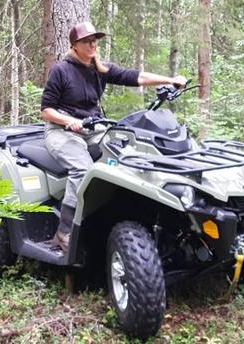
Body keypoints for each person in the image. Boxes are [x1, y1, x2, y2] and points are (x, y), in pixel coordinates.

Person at [41, 22, 187, 252]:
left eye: (94, 40)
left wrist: (169, 80)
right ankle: (64, 232)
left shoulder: (99, 68)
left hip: (93, 129)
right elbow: (46, 110)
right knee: (83, 169)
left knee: (126, 156)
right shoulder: (61, 70)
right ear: (74, 45)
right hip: (61, 132)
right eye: (87, 41)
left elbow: (135, 77)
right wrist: (69, 120)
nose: (92, 45)